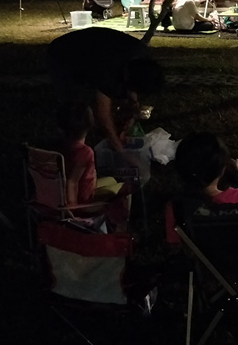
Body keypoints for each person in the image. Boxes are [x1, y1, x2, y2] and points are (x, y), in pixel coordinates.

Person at [47, 27, 164, 152]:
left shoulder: (143, 59)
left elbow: (132, 86)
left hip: (96, 49)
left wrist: (132, 111)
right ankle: (70, 145)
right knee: (74, 108)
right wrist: (122, 152)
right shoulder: (108, 70)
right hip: (63, 53)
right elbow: (103, 115)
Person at [57, 100, 129, 231]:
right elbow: (72, 181)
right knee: (125, 190)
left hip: (85, 189)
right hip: (83, 202)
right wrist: (73, 207)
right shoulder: (84, 152)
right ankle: (120, 226)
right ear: (90, 124)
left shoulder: (64, 147)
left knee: (112, 180)